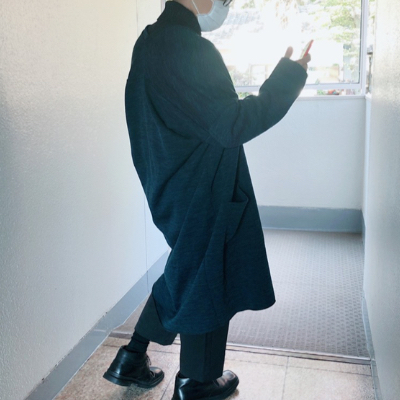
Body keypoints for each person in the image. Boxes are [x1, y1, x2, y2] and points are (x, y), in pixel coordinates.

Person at [103, 0, 310, 399]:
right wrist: (289, 77)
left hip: (168, 184)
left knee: (186, 270)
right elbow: (233, 124)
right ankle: (196, 382)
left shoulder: (148, 42)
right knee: (207, 279)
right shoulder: (192, 48)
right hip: (203, 188)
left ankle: (131, 357)